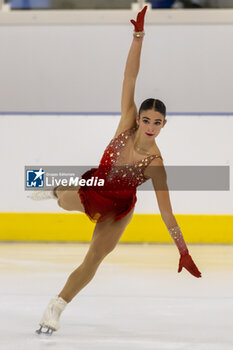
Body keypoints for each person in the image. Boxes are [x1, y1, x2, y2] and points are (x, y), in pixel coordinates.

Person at [35, 5, 202, 336]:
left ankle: (56, 306)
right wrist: (138, 37)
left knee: (94, 257)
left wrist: (182, 249)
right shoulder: (126, 122)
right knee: (61, 201)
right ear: (138, 118)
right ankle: (53, 188)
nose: (151, 126)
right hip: (94, 185)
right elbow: (130, 76)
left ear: (164, 124)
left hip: (118, 208)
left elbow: (167, 215)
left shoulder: (155, 165)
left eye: (158, 122)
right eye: (147, 119)